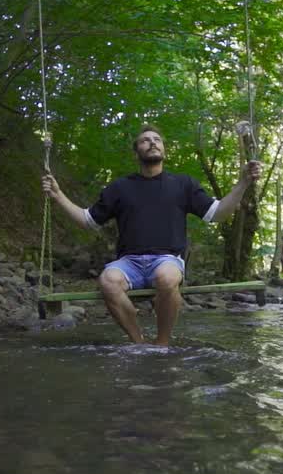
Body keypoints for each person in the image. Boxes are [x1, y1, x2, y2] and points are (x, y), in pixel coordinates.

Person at [41, 124, 262, 345]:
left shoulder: (183, 184)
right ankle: (138, 343)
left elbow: (218, 213)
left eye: (157, 139)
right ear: (136, 151)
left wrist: (243, 183)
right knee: (108, 281)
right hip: (129, 262)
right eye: (145, 140)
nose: (152, 142)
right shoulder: (120, 187)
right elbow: (88, 221)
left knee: (166, 278)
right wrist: (58, 195)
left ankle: (161, 344)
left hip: (167, 260)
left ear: (164, 150)